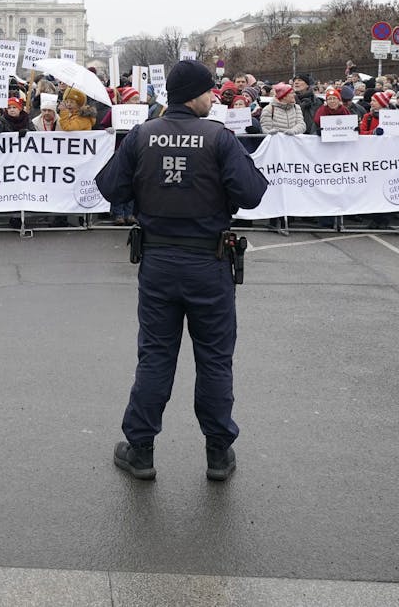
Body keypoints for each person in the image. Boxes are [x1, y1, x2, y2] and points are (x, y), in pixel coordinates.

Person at [95, 59, 268, 482]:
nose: (214, 97)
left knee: (155, 356)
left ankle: (140, 449)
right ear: (194, 94)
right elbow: (252, 194)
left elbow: (109, 187)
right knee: (214, 359)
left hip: (158, 262)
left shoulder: (141, 136)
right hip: (208, 263)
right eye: (210, 90)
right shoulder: (219, 139)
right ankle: (217, 452)